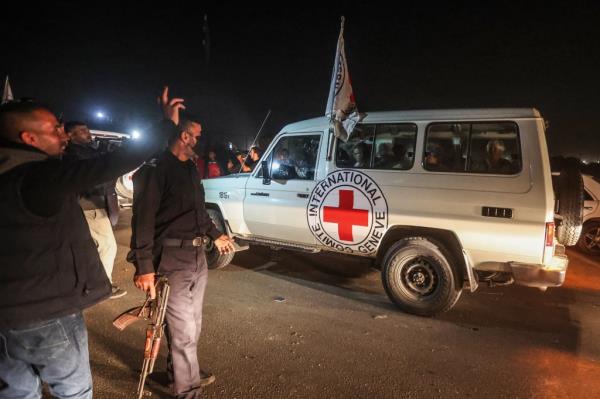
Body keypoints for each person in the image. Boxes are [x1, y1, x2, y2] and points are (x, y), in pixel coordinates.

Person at [0, 87, 181, 399]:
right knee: (74, 391)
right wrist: (165, 125)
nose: (64, 134)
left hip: (6, 319)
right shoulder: (38, 176)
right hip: (45, 315)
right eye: (55, 128)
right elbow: (112, 163)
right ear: (29, 138)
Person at [128, 113, 235, 398]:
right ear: (184, 136)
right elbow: (143, 220)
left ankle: (179, 373)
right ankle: (187, 391)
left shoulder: (189, 169)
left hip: (197, 257)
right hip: (171, 259)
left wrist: (216, 235)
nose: (199, 142)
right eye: (196, 136)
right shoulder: (156, 169)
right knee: (184, 330)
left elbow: (198, 213)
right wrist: (144, 266)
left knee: (192, 325)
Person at [63, 121, 126, 299]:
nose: (88, 133)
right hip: (90, 206)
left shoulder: (85, 153)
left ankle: (89, 285)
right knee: (107, 246)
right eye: (82, 131)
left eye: (87, 129)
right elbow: (98, 178)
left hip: (91, 205)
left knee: (90, 247)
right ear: (70, 136)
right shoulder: (75, 155)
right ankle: (103, 286)